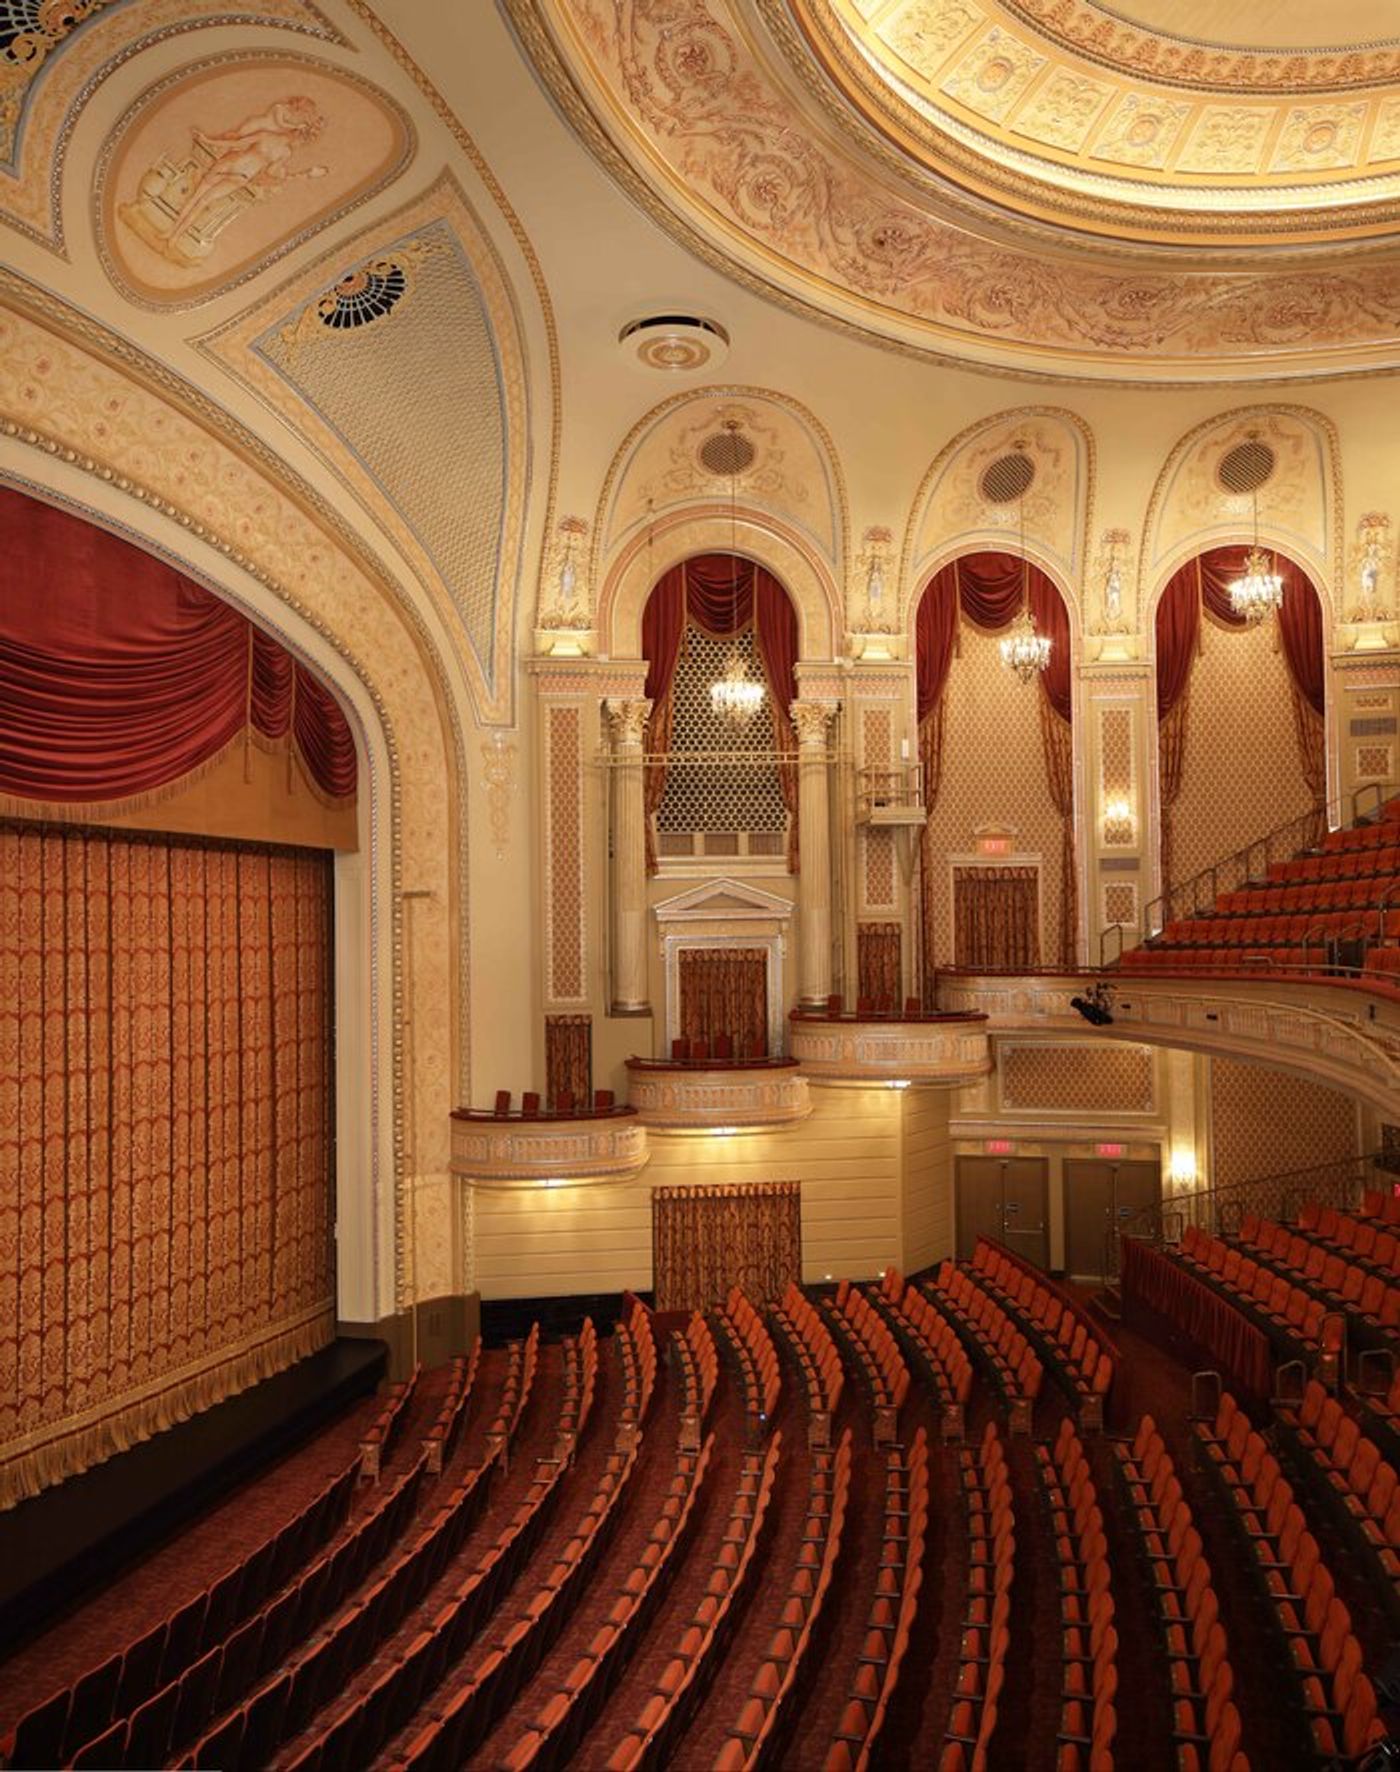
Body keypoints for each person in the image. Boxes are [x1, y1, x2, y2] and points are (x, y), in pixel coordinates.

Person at [163, 95, 327, 241]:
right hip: (241, 176)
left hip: (231, 164)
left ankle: (172, 233)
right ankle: (174, 236)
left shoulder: (269, 137)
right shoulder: (285, 153)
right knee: (202, 202)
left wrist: (208, 140)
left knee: (197, 198)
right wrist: (299, 176)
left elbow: (237, 144)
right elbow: (269, 176)